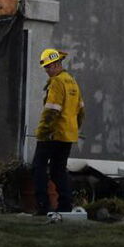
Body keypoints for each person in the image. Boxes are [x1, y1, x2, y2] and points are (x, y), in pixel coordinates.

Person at [33, 48, 84, 215]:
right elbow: (81, 110)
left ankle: (43, 206)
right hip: (68, 135)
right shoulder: (72, 81)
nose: (47, 70)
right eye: (46, 67)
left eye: (49, 67)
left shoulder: (56, 82)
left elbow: (51, 111)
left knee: (38, 168)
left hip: (52, 134)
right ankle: (65, 205)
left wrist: (42, 132)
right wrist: (75, 128)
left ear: (56, 64)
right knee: (58, 170)